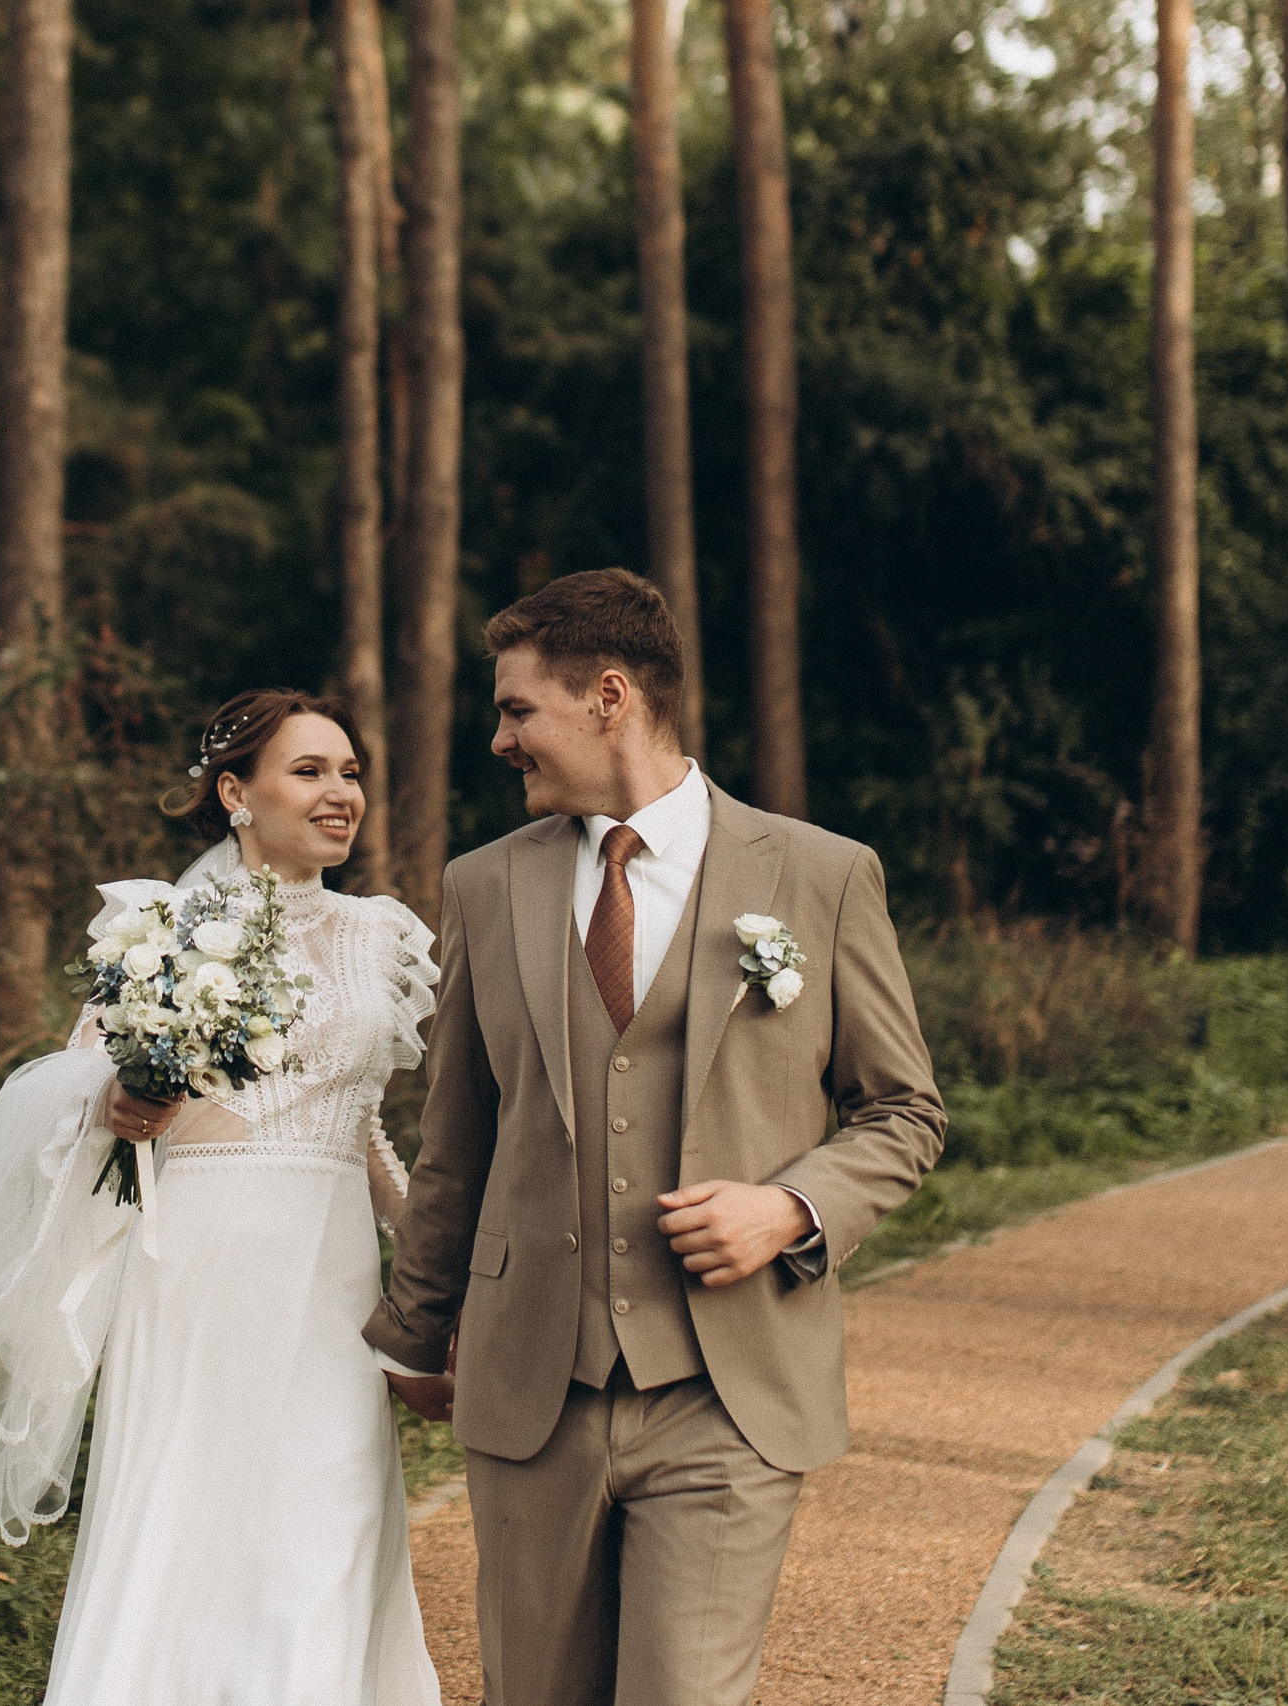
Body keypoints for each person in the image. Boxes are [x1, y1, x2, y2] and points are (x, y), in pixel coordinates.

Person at [366, 568, 948, 1706]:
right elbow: (456, 1142)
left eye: (517, 708)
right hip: (534, 1383)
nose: (499, 739)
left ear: (609, 695)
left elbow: (903, 1110)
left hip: (728, 1392)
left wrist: (790, 1205)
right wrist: (414, 1328)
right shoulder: (483, 887)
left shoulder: (820, 874)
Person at [0, 688, 443, 1706]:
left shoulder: (380, 933)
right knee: (193, 1518)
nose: (339, 793)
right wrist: (128, 1102)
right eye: (309, 770)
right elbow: (86, 1096)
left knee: (330, 1517)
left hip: (331, 1276)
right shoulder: (163, 927)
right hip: (200, 1263)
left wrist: (429, 1262)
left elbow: (355, 1119)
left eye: (350, 771)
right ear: (235, 791)